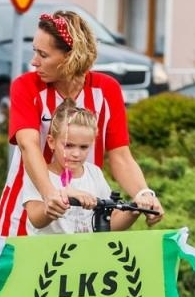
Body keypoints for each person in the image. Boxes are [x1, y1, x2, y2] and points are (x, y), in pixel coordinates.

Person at [0, 9, 164, 238]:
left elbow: (120, 155)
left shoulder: (107, 90)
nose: (34, 62)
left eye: (43, 55)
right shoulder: (26, 86)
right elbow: (28, 145)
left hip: (80, 216)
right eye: (35, 52)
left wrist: (144, 195)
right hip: (28, 208)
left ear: (71, 56)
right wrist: (50, 194)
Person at [19, 101, 141, 235]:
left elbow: (109, 223)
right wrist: (64, 196)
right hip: (48, 254)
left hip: (85, 253)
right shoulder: (39, 173)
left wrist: (133, 211)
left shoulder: (94, 173)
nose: (76, 154)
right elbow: (36, 219)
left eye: (83, 147)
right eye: (68, 145)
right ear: (51, 142)